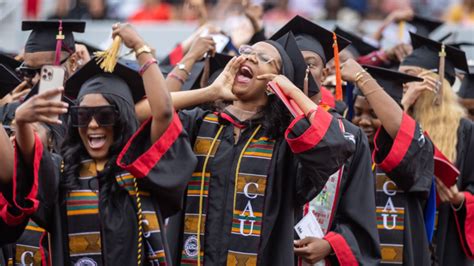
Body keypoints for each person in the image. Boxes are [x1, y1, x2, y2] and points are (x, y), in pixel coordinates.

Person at [137, 31, 355, 265]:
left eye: (263, 58)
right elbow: (143, 113)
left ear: (275, 82)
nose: (250, 58)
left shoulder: (286, 142)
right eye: (247, 52)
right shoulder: (200, 123)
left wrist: (292, 92)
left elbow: (335, 146)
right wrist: (210, 92)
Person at [7, 23, 197, 265]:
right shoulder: (63, 174)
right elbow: (30, 154)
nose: (93, 124)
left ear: (121, 120)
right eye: (83, 116)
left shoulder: (138, 169)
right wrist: (21, 122)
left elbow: (163, 114)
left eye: (105, 115)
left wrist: (140, 47)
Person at [270, 15, 380, 265]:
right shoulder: (267, 125)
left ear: (327, 71)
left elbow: (360, 208)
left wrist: (331, 244)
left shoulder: (348, 134)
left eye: (311, 63)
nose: (303, 70)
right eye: (294, 62)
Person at [342, 60, 435, 265]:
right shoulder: (346, 151)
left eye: (374, 114)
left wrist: (362, 78)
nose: (363, 121)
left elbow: (401, 131)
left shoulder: (419, 147)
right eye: (358, 113)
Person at [398, 32, 474, 265]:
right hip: (403, 225)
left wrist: (460, 198)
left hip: (447, 231)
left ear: (434, 83)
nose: (401, 84)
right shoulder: (399, 123)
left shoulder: (465, 129)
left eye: (410, 77)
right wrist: (402, 108)